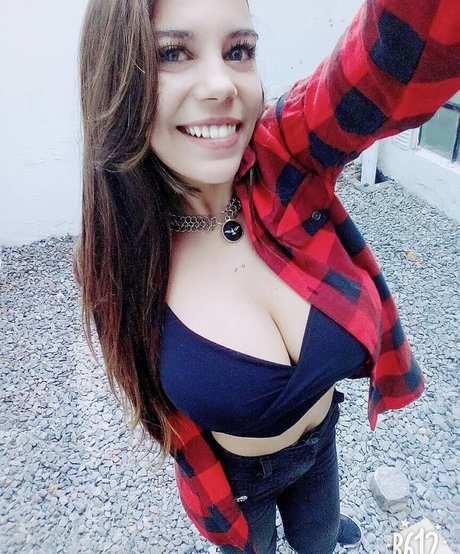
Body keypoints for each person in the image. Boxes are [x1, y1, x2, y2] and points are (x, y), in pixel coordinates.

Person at [74, 0, 460, 552]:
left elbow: (391, 64)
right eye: (172, 53)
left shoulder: (284, 157)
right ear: (115, 81)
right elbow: (151, 401)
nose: (220, 84)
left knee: (319, 541)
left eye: (239, 51)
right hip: (238, 487)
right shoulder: (122, 257)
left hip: (322, 444)